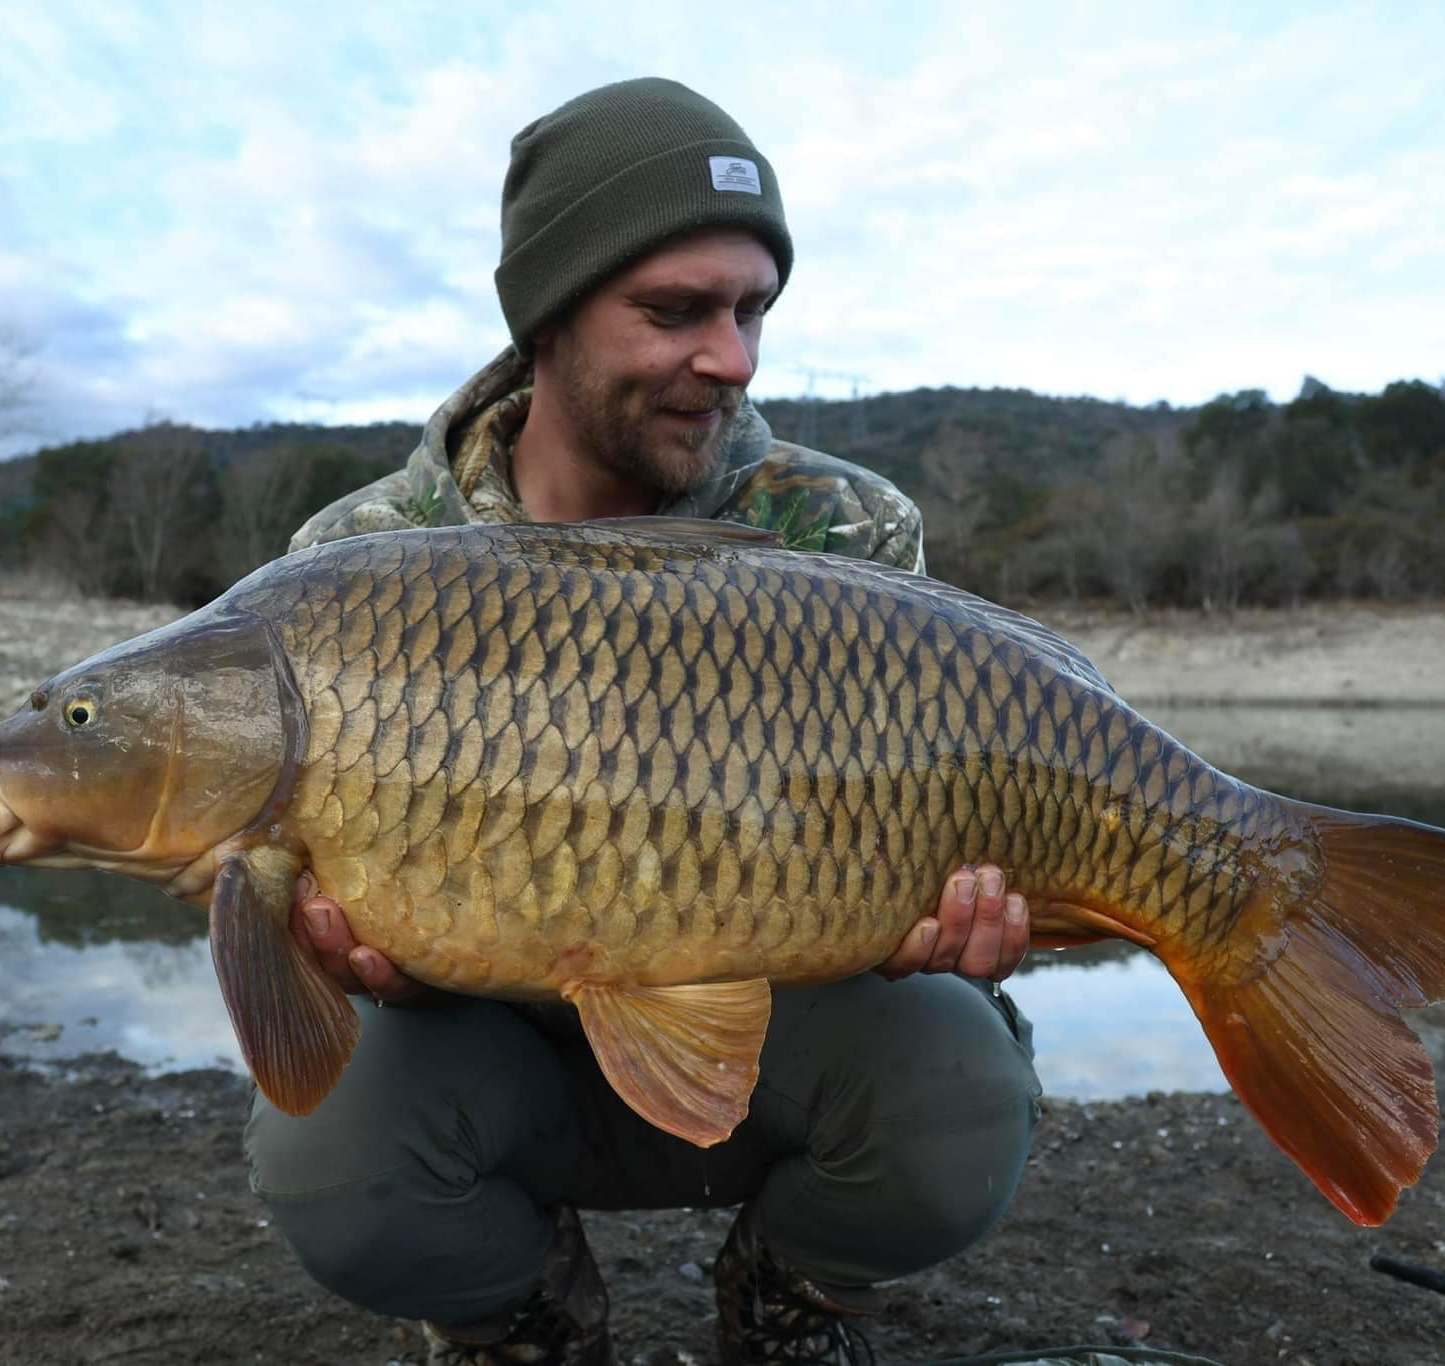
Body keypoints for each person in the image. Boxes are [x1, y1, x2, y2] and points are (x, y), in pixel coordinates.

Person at [247, 77, 1042, 1366]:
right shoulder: (361, 563)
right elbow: (294, 915)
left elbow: (925, 794)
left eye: (751, 312)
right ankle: (522, 1318)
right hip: (487, 1044)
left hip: (769, 1009)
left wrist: (943, 917)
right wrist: (323, 950)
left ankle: (786, 1295)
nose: (728, 357)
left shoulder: (839, 532)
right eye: (674, 311)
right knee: (330, 1152)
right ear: (548, 312)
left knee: (958, 1089)